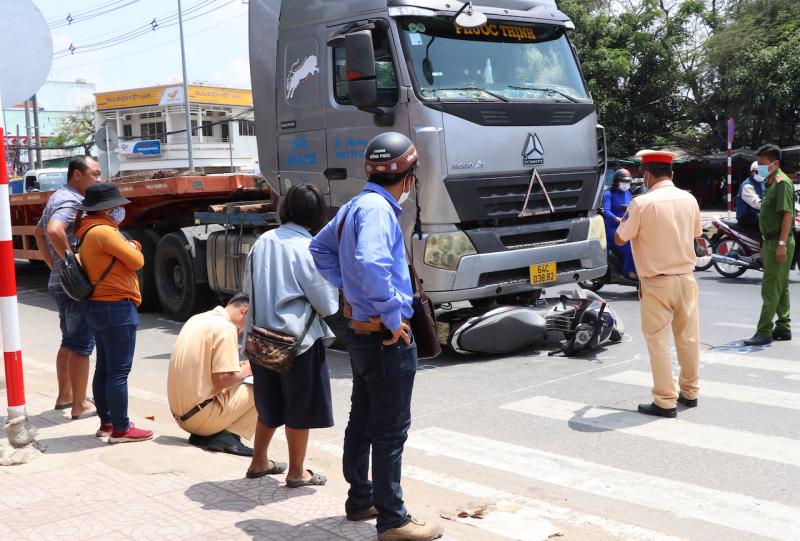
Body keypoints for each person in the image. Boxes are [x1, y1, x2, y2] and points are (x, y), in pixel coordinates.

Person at [310, 133, 444, 541]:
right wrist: (389, 314)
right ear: (408, 176)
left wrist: (350, 289)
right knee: (390, 429)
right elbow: (369, 261)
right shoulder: (380, 211)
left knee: (364, 419)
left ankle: (361, 500)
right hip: (384, 336)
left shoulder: (355, 205)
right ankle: (393, 520)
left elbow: (319, 249)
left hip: (361, 333)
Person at [242, 183, 339, 486]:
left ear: (285, 209)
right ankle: (297, 472)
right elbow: (327, 304)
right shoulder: (309, 247)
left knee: (268, 405)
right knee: (299, 408)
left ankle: (259, 461)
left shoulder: (262, 242)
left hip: (260, 340)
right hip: (296, 344)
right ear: (319, 213)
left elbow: (248, 289)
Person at [616, 150, 702, 418]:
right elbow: (696, 233)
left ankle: (665, 401)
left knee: (658, 342)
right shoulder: (689, 199)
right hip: (686, 280)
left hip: (657, 283)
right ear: (671, 174)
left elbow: (620, 239)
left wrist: (626, 221)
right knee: (688, 338)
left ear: (647, 175)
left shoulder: (641, 203)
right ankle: (690, 392)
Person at [74, 183, 152, 443]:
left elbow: (124, 253)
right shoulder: (105, 232)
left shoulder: (87, 231)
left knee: (104, 369)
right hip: (116, 306)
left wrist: (131, 245)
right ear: (107, 209)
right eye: (117, 206)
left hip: (96, 306)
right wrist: (134, 247)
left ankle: (107, 423)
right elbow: (138, 261)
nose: (120, 210)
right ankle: (121, 429)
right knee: (118, 372)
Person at [33, 155, 101, 420]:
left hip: (60, 283)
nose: (99, 179)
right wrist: (72, 265)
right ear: (77, 175)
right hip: (74, 287)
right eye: (95, 174)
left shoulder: (58, 196)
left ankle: (65, 396)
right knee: (82, 345)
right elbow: (52, 230)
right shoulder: (71, 201)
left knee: (70, 341)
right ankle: (80, 405)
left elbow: (39, 233)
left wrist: (56, 267)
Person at [168, 293, 256, 455]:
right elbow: (222, 380)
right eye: (250, 322)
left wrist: (240, 368)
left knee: (242, 378)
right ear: (245, 311)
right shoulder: (226, 327)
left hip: (183, 417)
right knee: (267, 386)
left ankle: (206, 435)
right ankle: (226, 436)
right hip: (200, 418)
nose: (245, 331)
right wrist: (249, 369)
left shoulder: (197, 319)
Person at [743, 145, 796, 346]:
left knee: (770, 288)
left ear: (775, 163)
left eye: (763, 164)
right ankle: (783, 326)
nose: (760, 168)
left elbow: (787, 214)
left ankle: (763, 331)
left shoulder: (782, 183)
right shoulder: (771, 182)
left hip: (779, 241)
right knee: (780, 287)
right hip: (771, 241)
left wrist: (781, 244)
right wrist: (765, 246)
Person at [603, 169, 637, 278]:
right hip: (612, 228)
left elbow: (633, 208)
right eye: (623, 181)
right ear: (617, 182)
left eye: (627, 182)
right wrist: (618, 219)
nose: (626, 184)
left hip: (626, 227)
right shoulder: (609, 194)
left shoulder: (628, 193)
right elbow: (606, 211)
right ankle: (629, 272)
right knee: (628, 242)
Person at [735, 161, 765, 231]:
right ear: (751, 172)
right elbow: (756, 203)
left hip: (758, 214)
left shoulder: (763, 183)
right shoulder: (747, 186)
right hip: (746, 216)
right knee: (769, 221)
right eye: (757, 172)